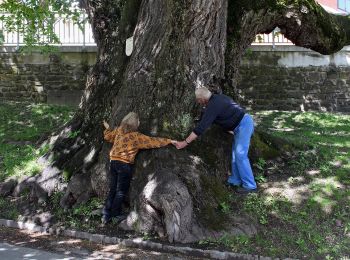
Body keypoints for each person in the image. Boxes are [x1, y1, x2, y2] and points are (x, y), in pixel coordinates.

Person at [175, 87, 257, 194]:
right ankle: (235, 180)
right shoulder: (217, 99)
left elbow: (201, 128)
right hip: (239, 126)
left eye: (198, 100)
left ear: (202, 99)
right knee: (235, 155)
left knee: (240, 155)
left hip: (244, 124)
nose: (198, 102)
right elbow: (226, 113)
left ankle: (250, 185)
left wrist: (185, 142)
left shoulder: (213, 105)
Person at [102, 112, 176, 225]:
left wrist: (107, 129)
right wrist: (169, 141)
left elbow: (108, 136)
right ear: (136, 124)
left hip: (113, 162)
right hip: (124, 164)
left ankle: (106, 214)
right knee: (120, 191)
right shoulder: (137, 137)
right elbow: (153, 141)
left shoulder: (119, 131)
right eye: (139, 121)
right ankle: (115, 214)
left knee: (113, 189)